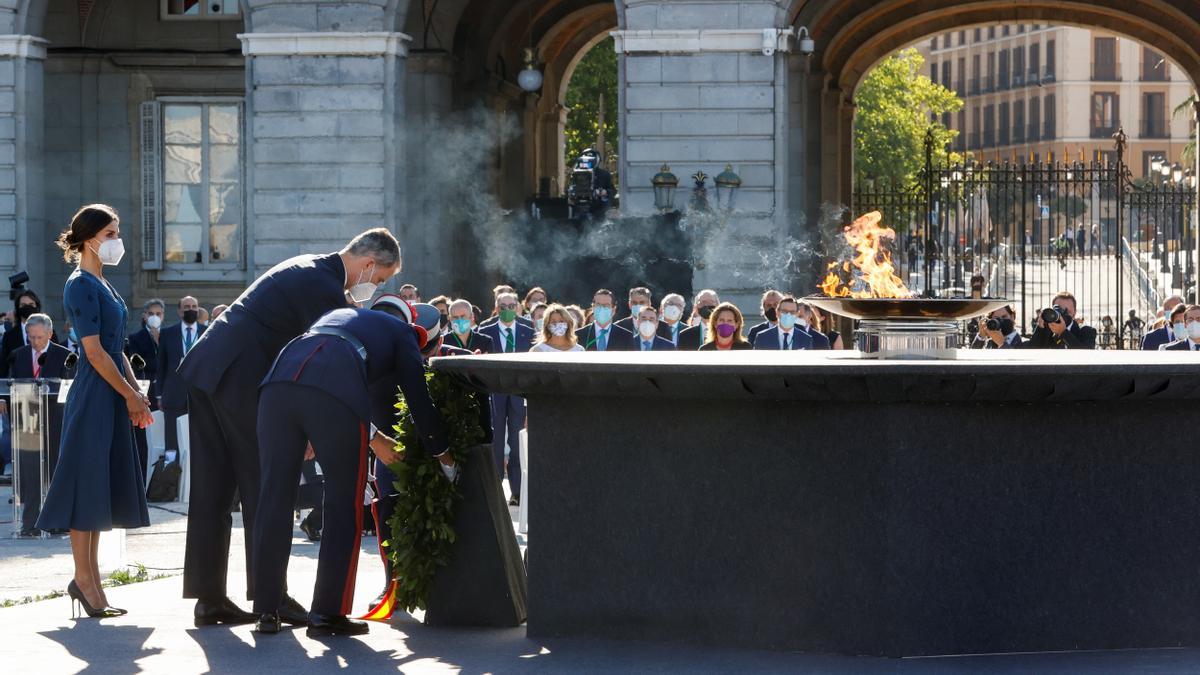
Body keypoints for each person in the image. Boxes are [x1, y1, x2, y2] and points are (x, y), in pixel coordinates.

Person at [179, 228, 398, 628]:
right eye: (380, 278)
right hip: (241, 376)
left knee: (213, 487)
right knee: (266, 485)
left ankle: (210, 597)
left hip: (210, 366)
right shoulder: (324, 287)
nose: (376, 286)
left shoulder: (308, 266)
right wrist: (372, 435)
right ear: (368, 263)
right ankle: (272, 597)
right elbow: (328, 368)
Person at [251, 305, 452, 637]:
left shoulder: (335, 317)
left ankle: (266, 610)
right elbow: (417, 398)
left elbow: (317, 368)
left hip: (277, 385)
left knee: (274, 499)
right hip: (331, 393)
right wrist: (442, 452)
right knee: (344, 502)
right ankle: (327, 613)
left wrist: (309, 425)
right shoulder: (403, 333)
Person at [37, 204, 152, 619]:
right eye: (111, 233)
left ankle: (91, 581)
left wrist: (136, 393)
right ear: (90, 238)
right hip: (93, 393)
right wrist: (128, 396)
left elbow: (117, 347)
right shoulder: (80, 284)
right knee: (86, 486)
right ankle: (84, 581)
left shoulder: (104, 282)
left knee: (98, 490)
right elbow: (94, 352)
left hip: (112, 391)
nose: (117, 241)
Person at [9, 313, 73, 537]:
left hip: (55, 419)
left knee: (55, 470)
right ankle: (30, 524)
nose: (34, 342)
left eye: (39, 337)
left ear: (49, 333)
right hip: (26, 419)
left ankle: (57, 520)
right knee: (30, 473)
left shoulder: (65, 355)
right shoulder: (18, 355)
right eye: (31, 337)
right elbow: (11, 384)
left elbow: (69, 388)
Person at [478, 291, 534, 505]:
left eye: (512, 306)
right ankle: (495, 489)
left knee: (518, 440)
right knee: (496, 440)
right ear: (496, 308)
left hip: (519, 393)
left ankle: (518, 491)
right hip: (496, 392)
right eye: (503, 306)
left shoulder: (528, 331)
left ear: (518, 308)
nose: (508, 310)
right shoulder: (486, 330)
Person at [156, 296, 205, 455]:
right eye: (186, 307)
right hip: (173, 394)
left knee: (198, 440)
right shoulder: (168, 333)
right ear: (179, 311)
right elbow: (161, 365)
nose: (191, 309)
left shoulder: (207, 332)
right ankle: (171, 475)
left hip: (200, 395)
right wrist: (159, 395)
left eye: (194, 306)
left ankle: (194, 478)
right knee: (172, 440)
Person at [126, 299, 164, 476]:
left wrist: (159, 341)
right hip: (146, 391)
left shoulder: (168, 335)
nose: (154, 317)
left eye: (158, 314)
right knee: (144, 438)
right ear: (144, 316)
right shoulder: (135, 338)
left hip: (165, 393)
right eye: (151, 313)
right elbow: (139, 362)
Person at [1, 289, 54, 376]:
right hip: (20, 385)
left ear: (37, 306)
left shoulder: (48, 331)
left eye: (31, 304)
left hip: (46, 385)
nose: (27, 307)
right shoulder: (9, 336)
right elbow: (4, 368)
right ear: (17, 308)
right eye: (23, 305)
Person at [1019, 291, 1096, 349]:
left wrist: (1063, 333)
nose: (1062, 315)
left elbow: (1085, 355)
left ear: (1074, 313)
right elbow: (1032, 353)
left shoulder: (1086, 331)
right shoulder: (1047, 331)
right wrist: (1040, 329)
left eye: (1067, 312)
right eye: (1059, 311)